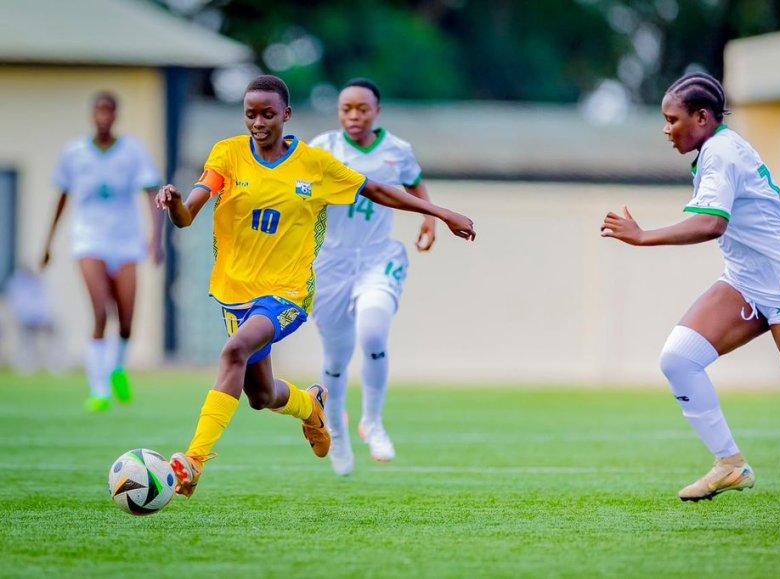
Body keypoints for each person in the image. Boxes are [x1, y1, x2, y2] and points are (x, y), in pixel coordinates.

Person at [156, 75, 475, 498]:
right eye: (250, 114)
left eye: (268, 114)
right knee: (261, 395)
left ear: (286, 115)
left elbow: (376, 190)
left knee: (234, 351)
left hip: (288, 293)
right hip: (235, 292)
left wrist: (441, 213)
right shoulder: (227, 154)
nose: (258, 122)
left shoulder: (314, 164)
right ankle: (311, 406)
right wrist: (175, 203)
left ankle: (193, 461)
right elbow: (187, 216)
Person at [600, 72, 780, 502]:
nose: (666, 129)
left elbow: (712, 223)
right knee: (679, 359)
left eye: (672, 119)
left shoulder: (721, 153)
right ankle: (729, 464)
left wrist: (643, 235)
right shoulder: (715, 149)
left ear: (702, 118)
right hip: (747, 281)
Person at [308, 78, 435, 476]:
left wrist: (429, 217)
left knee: (373, 331)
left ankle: (373, 421)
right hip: (330, 264)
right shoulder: (322, 148)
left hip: (378, 256)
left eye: (362, 108)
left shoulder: (397, 150)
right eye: (346, 109)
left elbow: (414, 183)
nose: (354, 116)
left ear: (377, 111)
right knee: (336, 356)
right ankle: (336, 431)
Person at [43, 92, 164, 412]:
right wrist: (48, 243)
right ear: (92, 115)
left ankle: (117, 368)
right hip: (89, 240)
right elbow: (62, 197)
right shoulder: (74, 153)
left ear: (115, 116)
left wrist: (157, 239)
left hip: (126, 242)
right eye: (99, 111)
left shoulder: (133, 151)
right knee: (99, 312)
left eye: (109, 111)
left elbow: (152, 192)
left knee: (125, 321)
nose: (103, 117)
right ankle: (99, 390)